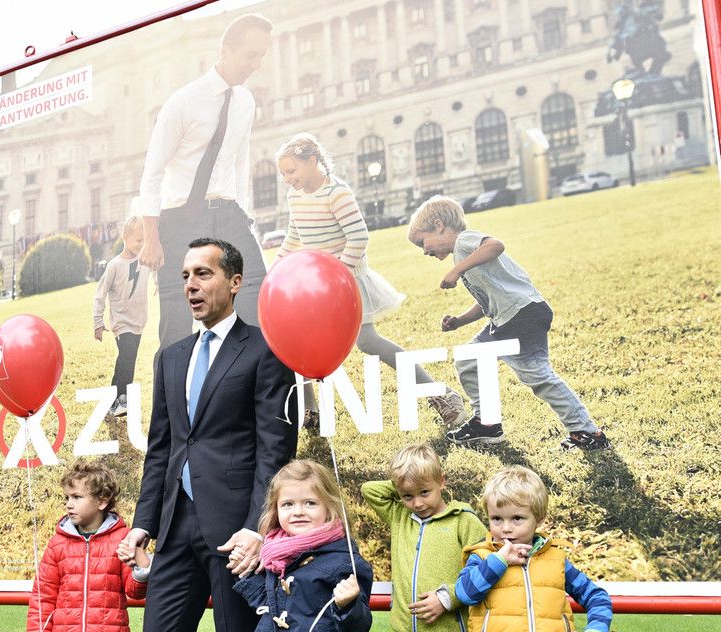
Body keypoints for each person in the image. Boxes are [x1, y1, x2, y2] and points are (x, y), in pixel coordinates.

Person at [119, 238, 298, 632]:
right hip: (175, 528)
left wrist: (257, 528)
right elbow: (161, 449)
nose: (191, 285)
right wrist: (144, 524)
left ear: (235, 282)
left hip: (236, 533)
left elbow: (275, 449)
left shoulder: (265, 349)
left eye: (203, 273)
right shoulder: (170, 357)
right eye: (185, 276)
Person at [274, 134, 468, 428]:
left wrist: (338, 276)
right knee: (299, 342)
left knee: (367, 341)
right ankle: (312, 411)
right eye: (283, 174)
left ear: (312, 161)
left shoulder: (336, 193)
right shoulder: (294, 196)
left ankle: (442, 395)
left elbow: (358, 237)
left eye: (292, 171)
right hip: (318, 286)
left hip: (346, 280)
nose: (287, 179)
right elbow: (294, 235)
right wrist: (276, 267)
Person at [406, 195, 611, 450]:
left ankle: (587, 432)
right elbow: (487, 301)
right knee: (468, 360)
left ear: (439, 225)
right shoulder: (464, 255)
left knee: (538, 376)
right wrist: (460, 321)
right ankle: (487, 424)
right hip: (506, 318)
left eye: (422, 242)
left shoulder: (464, 241)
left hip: (522, 316)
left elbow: (495, 245)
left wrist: (457, 270)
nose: (424, 251)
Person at [137, 14, 273, 350]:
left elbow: (240, 162)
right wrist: (151, 238)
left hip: (227, 212)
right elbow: (152, 173)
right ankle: (172, 386)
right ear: (225, 50)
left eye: (261, 57)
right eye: (250, 55)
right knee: (177, 319)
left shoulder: (245, 102)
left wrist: (244, 217)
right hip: (180, 218)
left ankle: (255, 375)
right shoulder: (182, 102)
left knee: (257, 292)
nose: (256, 65)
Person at [456, 466, 613, 632]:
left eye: (517, 518)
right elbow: (464, 593)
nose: (506, 528)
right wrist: (500, 561)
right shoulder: (483, 557)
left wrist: (596, 631)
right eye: (497, 518)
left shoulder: (556, 560)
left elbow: (596, 596)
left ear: (538, 519)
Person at [233, 459, 372, 632]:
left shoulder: (343, 561)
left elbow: (358, 628)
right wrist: (247, 571)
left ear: (329, 508)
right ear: (275, 510)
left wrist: (348, 605)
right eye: (288, 504)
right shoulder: (275, 555)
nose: (298, 511)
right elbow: (268, 603)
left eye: (310, 503)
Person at [361, 443, 487, 632]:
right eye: (407, 496)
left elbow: (484, 571)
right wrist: (403, 481)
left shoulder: (464, 521)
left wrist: (447, 598)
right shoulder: (400, 516)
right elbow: (369, 490)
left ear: (442, 481)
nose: (417, 503)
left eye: (424, 492)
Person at [26, 460, 150, 632]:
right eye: (66, 497)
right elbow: (42, 597)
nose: (69, 504)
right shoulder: (57, 544)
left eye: (77, 497)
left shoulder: (123, 539)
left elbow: (135, 591)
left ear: (102, 501)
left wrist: (142, 564)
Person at [93, 215, 150, 417]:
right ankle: (123, 398)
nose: (141, 244)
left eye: (144, 240)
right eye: (138, 240)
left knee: (128, 360)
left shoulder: (145, 259)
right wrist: (98, 322)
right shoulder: (114, 265)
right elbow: (100, 295)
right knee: (127, 357)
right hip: (121, 322)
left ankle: (112, 401)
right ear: (125, 236)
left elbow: (158, 269)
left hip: (139, 321)